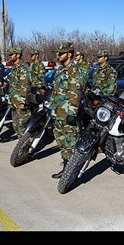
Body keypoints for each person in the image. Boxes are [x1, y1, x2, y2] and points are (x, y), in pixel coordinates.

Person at [49, 42, 83, 179]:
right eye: (58, 53)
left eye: (61, 53)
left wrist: (72, 113)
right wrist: (52, 108)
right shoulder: (60, 70)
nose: (59, 56)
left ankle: (72, 172)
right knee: (62, 143)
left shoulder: (74, 70)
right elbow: (56, 91)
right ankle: (66, 168)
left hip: (67, 114)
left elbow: (76, 93)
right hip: (58, 112)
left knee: (71, 144)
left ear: (69, 54)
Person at [8, 47, 32, 139]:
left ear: (18, 55)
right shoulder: (14, 68)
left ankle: (26, 149)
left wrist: (22, 102)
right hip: (14, 102)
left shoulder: (24, 68)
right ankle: (21, 149)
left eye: (12, 54)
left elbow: (25, 86)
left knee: (23, 128)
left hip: (21, 103)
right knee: (16, 126)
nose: (10, 56)